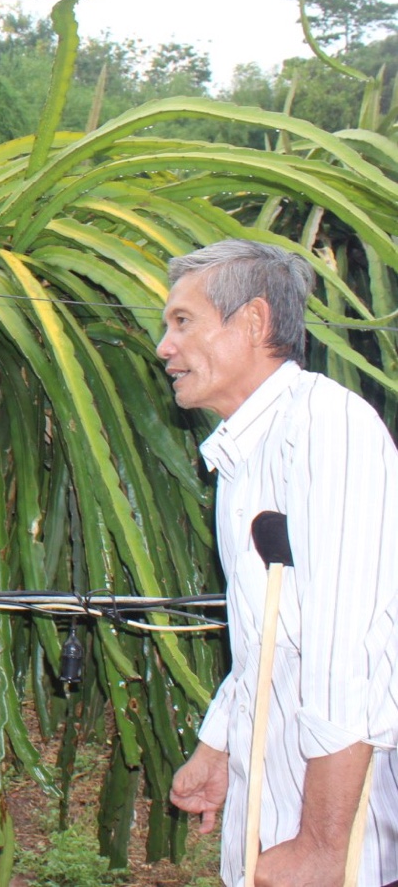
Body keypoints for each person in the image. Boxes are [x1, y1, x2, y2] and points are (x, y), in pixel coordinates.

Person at [159, 239, 398, 887]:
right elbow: (267, 638)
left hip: (347, 852)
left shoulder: (326, 431)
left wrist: (321, 846)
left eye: (182, 322)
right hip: (274, 816)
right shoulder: (242, 455)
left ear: (254, 323)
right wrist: (219, 745)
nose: (163, 347)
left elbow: (347, 655)